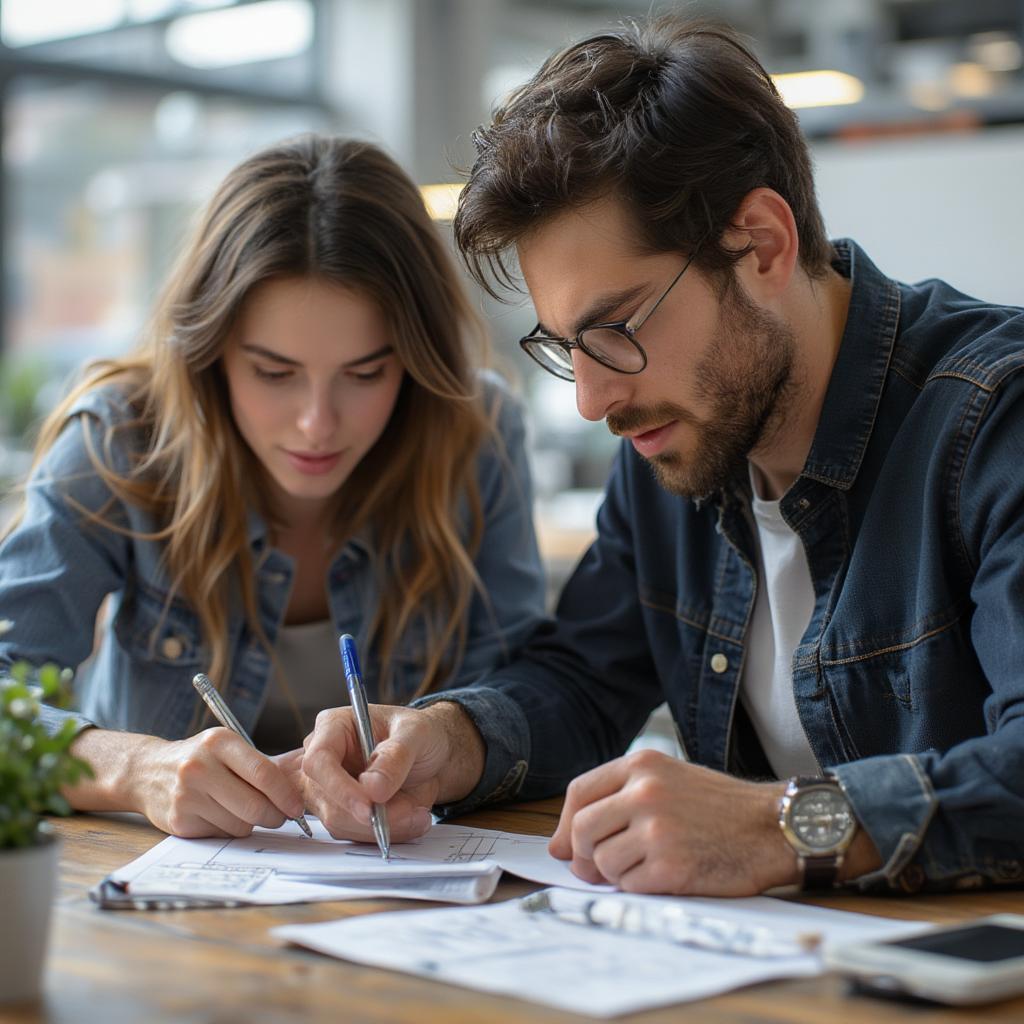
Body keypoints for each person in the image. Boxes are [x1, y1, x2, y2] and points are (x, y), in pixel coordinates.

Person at [297, 18, 1024, 897]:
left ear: (760, 244)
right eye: (568, 345)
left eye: (617, 329)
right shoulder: (679, 445)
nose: (592, 401)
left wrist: (777, 826)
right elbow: (585, 679)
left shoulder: (994, 420)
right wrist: (449, 739)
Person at [0, 135, 546, 840]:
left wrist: (453, 746)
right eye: (273, 372)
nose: (318, 424)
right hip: (147, 902)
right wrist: (135, 769)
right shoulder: (123, 436)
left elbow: (528, 694)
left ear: (414, 363)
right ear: (212, 354)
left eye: (366, 373)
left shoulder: (477, 432)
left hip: (405, 892)